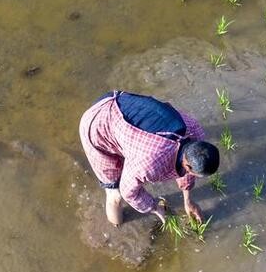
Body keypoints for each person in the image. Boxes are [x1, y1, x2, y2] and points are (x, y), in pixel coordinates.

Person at [78, 91, 220, 227]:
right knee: (115, 194)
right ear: (187, 166)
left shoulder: (195, 131)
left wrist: (188, 201)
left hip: (122, 103)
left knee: (131, 162)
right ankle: (117, 230)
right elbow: (128, 192)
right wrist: (154, 207)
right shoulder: (151, 162)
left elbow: (188, 168)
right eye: (194, 173)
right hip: (97, 127)